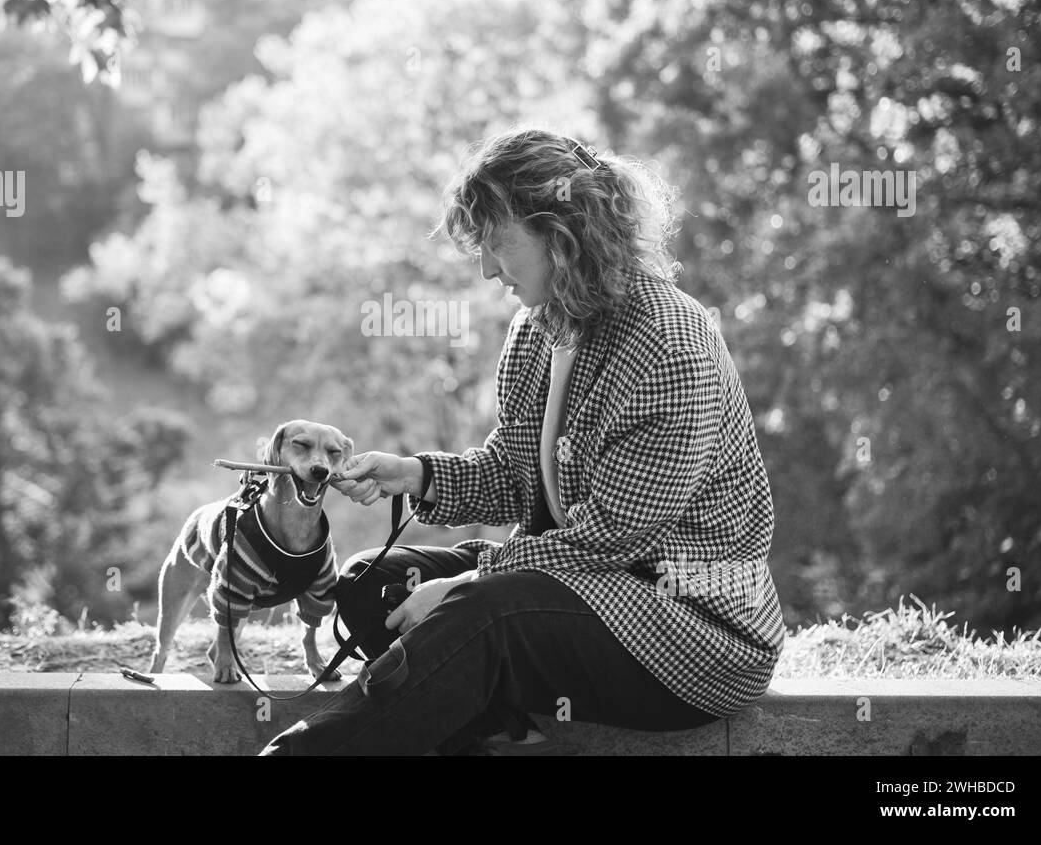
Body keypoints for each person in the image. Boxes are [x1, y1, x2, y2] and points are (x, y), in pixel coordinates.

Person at [260, 126, 785, 755]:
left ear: (561, 233)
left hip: (692, 628)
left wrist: (468, 584)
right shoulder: (539, 326)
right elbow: (514, 473)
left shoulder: (669, 345)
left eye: (497, 244)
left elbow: (613, 539)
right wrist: (417, 475)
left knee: (481, 613)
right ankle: (506, 739)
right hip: (576, 591)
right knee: (372, 584)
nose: (486, 269)